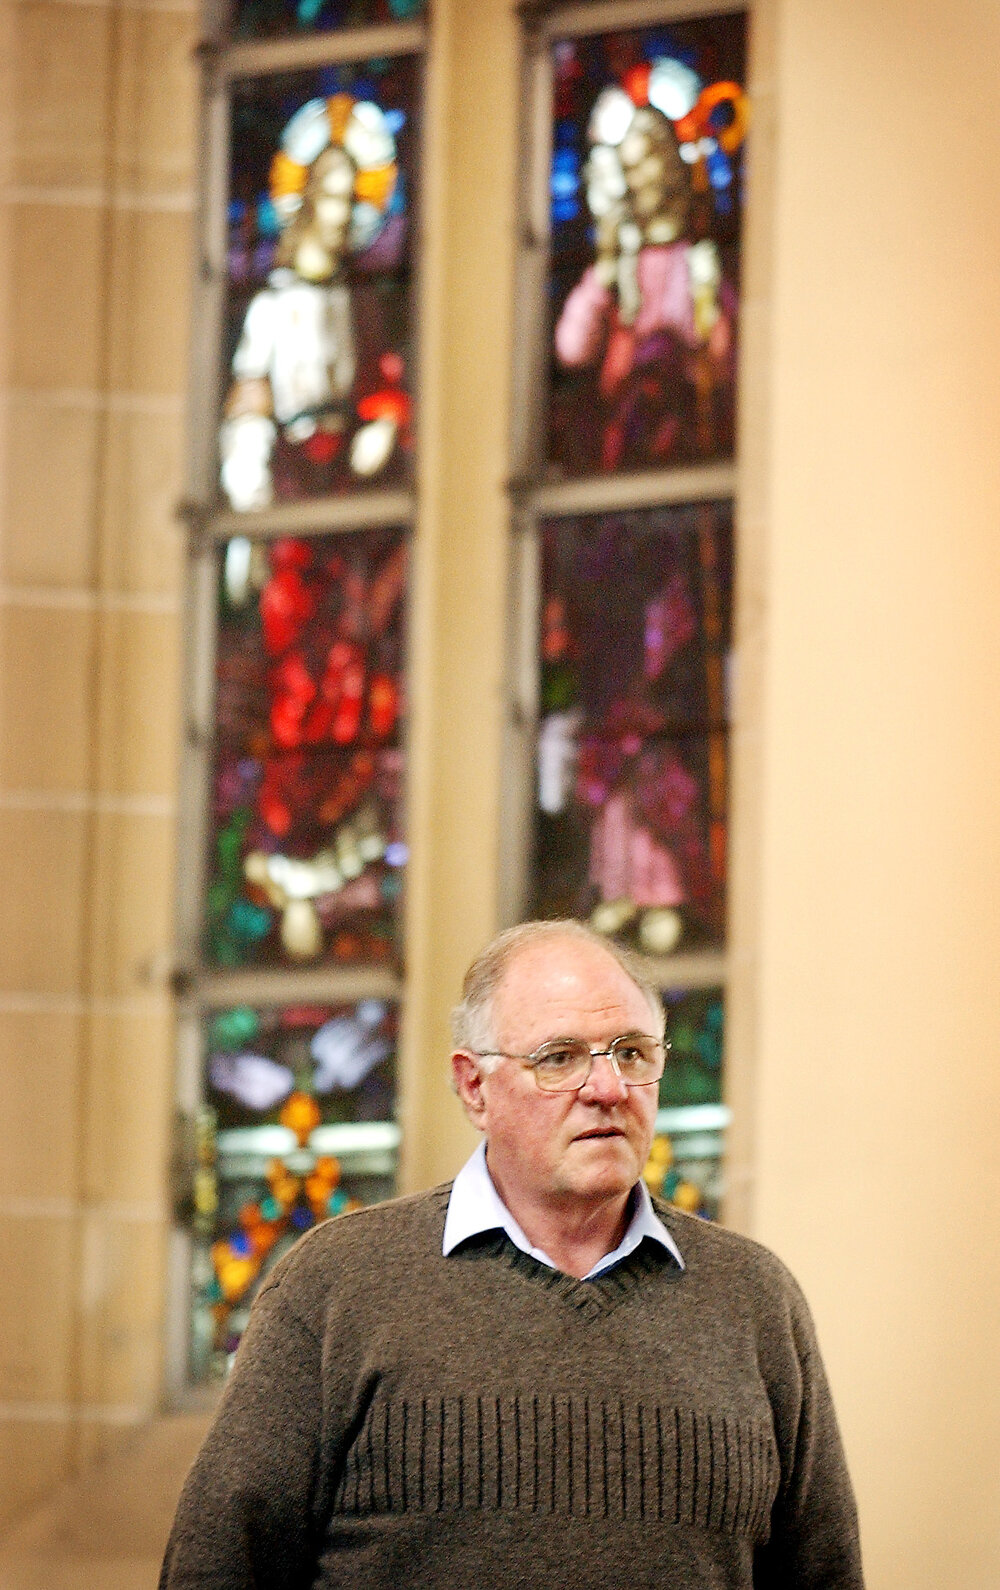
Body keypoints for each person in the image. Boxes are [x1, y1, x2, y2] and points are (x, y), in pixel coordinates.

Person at [160, 919, 864, 1588]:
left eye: (632, 1054)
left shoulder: (754, 1299)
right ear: (474, 1087)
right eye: (560, 1058)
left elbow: (824, 1575)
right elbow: (218, 1567)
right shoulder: (339, 1285)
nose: (608, 1089)